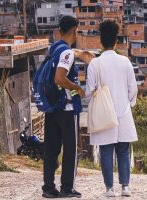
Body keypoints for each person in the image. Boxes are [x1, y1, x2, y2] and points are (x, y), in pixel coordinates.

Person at [86, 20, 138, 197]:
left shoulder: (95, 63)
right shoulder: (125, 62)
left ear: (101, 41)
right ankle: (125, 187)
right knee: (123, 150)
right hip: (123, 112)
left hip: (103, 115)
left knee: (106, 151)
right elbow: (133, 88)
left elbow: (89, 90)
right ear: (116, 41)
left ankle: (109, 189)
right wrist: (129, 103)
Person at [42, 16, 85, 198]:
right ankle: (67, 188)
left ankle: (49, 188)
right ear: (74, 30)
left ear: (59, 30)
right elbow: (59, 78)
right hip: (66, 108)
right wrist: (76, 87)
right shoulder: (67, 53)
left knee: (51, 149)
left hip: (52, 106)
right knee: (71, 149)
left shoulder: (54, 49)